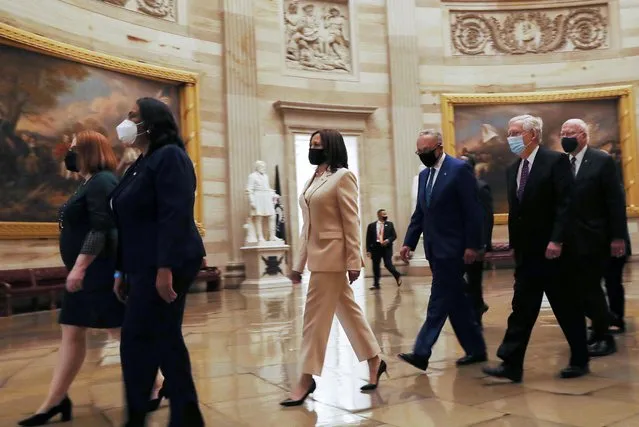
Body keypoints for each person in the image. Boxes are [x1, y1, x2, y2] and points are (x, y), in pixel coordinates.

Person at [18, 131, 134, 426]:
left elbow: (101, 227)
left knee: (117, 331)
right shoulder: (89, 183)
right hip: (88, 273)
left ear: (88, 152)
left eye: (72, 149)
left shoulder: (103, 181)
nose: (67, 154)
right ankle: (55, 402)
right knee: (77, 332)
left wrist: (80, 267)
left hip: (97, 272)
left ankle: (160, 382)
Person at [111, 98, 206, 427]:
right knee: (164, 337)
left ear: (152, 122)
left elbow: (174, 215)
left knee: (137, 340)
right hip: (142, 263)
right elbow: (127, 221)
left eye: (133, 116)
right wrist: (121, 270)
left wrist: (165, 269)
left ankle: (137, 416)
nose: (127, 121)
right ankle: (186, 414)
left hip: (169, 262)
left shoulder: (171, 157)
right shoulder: (140, 163)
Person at [282, 129, 385, 407]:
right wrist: (298, 264)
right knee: (349, 312)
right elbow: (308, 226)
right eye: (311, 144)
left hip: (333, 256)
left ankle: (305, 378)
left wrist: (354, 260)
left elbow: (351, 221)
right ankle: (375, 360)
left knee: (313, 320)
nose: (313, 148)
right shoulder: (312, 179)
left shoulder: (343, 177)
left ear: (331, 148)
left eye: (318, 144)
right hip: (316, 256)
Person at [483, 115, 589, 383]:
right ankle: (511, 363)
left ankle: (580, 358)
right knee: (522, 307)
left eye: (515, 132)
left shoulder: (555, 161)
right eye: (508, 132)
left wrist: (557, 240)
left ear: (532, 135)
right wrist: (513, 245)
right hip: (527, 255)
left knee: (566, 306)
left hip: (555, 252)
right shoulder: (512, 169)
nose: (510, 138)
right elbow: (517, 213)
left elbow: (566, 204)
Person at [398, 129, 487, 372]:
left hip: (454, 249)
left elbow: (473, 211)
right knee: (456, 302)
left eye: (426, 151)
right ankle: (476, 349)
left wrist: (472, 245)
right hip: (434, 249)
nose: (423, 155)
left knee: (438, 301)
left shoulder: (459, 170)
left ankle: (421, 351)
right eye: (419, 152)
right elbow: (421, 213)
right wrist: (409, 242)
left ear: (439, 147)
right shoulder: (425, 174)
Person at [559, 118, 627, 357]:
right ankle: (598, 326)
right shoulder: (561, 163)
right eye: (562, 132)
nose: (565, 136)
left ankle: (604, 336)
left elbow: (615, 201)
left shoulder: (602, 160)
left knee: (590, 288)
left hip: (596, 237)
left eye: (571, 133)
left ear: (584, 136)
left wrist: (618, 237)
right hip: (570, 239)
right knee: (577, 290)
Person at [460, 155, 493, 327]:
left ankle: (476, 315)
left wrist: (483, 245)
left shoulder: (481, 187)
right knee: (460, 280)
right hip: (458, 244)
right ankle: (478, 305)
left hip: (475, 245)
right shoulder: (457, 188)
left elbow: (486, 219)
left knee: (473, 280)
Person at [366, 209, 402, 290]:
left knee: (388, 264)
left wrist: (388, 240)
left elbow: (394, 236)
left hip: (387, 248)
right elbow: (368, 239)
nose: (385, 215)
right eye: (383, 214)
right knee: (375, 266)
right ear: (378, 215)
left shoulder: (390, 224)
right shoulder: (371, 226)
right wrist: (368, 250)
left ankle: (397, 275)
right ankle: (376, 284)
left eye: (386, 213)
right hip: (375, 248)